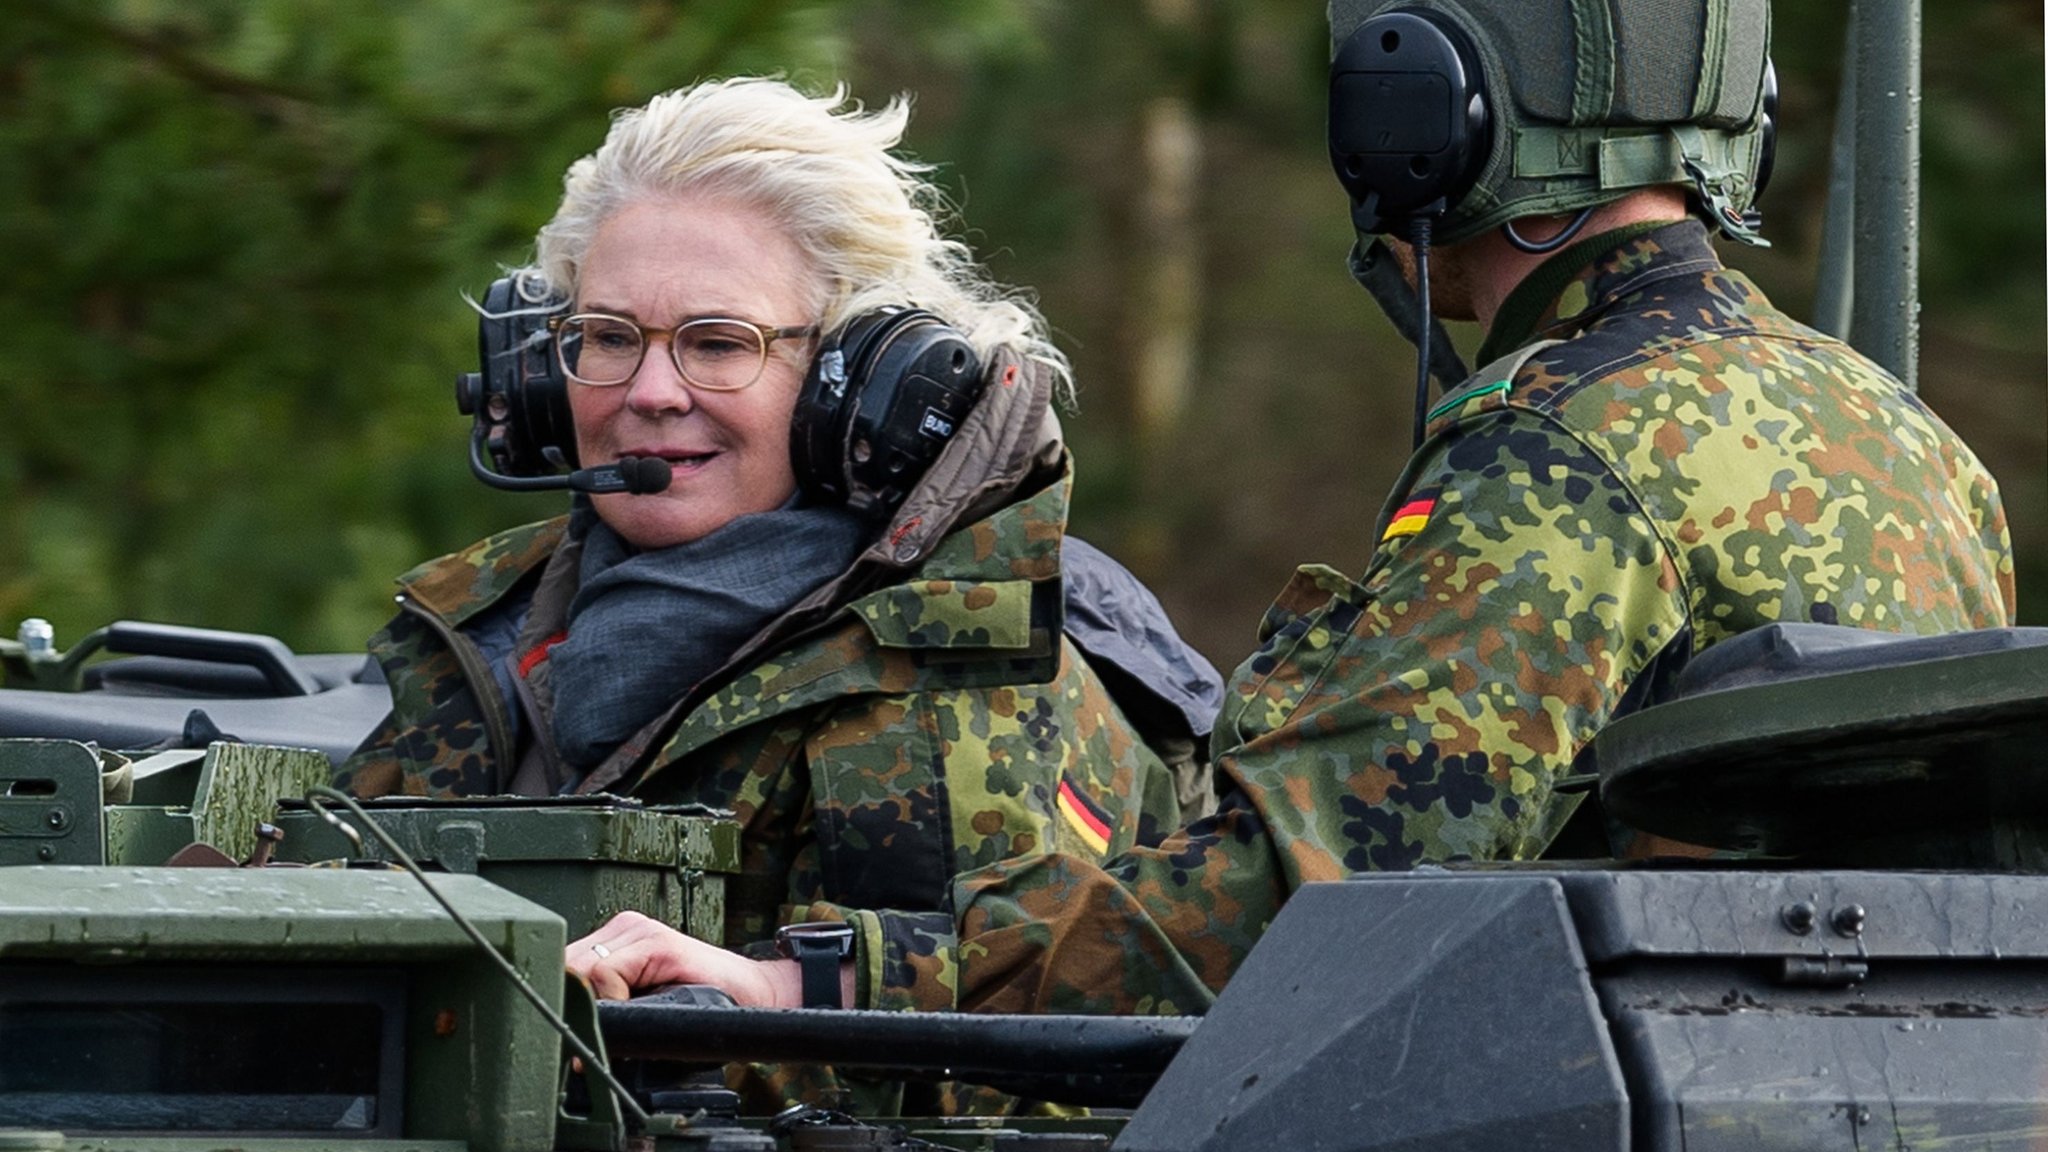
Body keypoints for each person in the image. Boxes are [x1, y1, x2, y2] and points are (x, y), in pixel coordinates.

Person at [564, 0, 2015, 1020]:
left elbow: (1301, 899)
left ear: (1422, 121)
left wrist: (813, 982)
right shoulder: (1905, 434)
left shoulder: (1562, 453)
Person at [334, 77, 1220, 1104]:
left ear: (864, 376)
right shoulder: (479, 626)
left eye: (718, 344)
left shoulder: (989, 665)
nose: (650, 394)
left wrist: (726, 1029)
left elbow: (1035, 1067)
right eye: (610, 338)